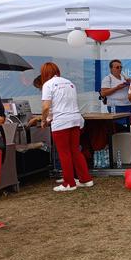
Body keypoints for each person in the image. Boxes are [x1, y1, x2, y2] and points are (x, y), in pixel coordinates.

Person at [40, 62, 94, 192]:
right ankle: (86, 179)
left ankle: (69, 183)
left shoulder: (48, 85)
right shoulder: (70, 83)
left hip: (61, 122)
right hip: (75, 119)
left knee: (64, 153)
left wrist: (43, 120)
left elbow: (46, 107)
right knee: (75, 150)